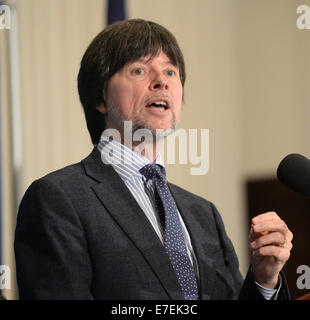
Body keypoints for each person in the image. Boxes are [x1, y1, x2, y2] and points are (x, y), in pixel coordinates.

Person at [14, 19, 293, 300]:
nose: (162, 81)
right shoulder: (58, 199)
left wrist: (264, 280)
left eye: (171, 71)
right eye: (139, 70)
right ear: (100, 97)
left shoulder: (203, 213)